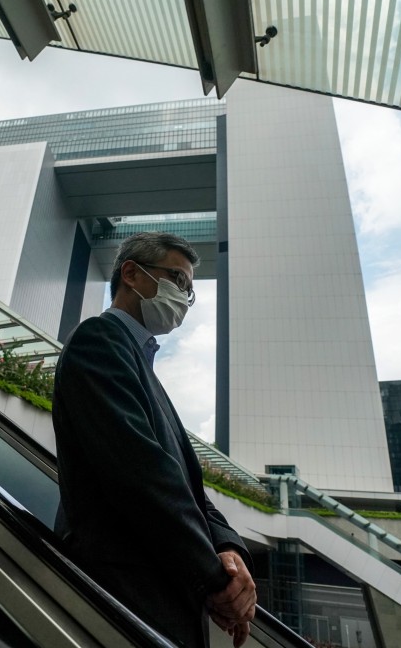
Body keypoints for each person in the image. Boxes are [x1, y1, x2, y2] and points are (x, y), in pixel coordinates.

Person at [52, 231, 257, 648]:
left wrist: (230, 551)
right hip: (128, 595)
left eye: (190, 291)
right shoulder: (99, 340)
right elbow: (142, 475)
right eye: (178, 280)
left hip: (161, 597)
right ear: (132, 273)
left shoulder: (142, 364)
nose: (184, 297)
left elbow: (186, 486)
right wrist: (216, 579)